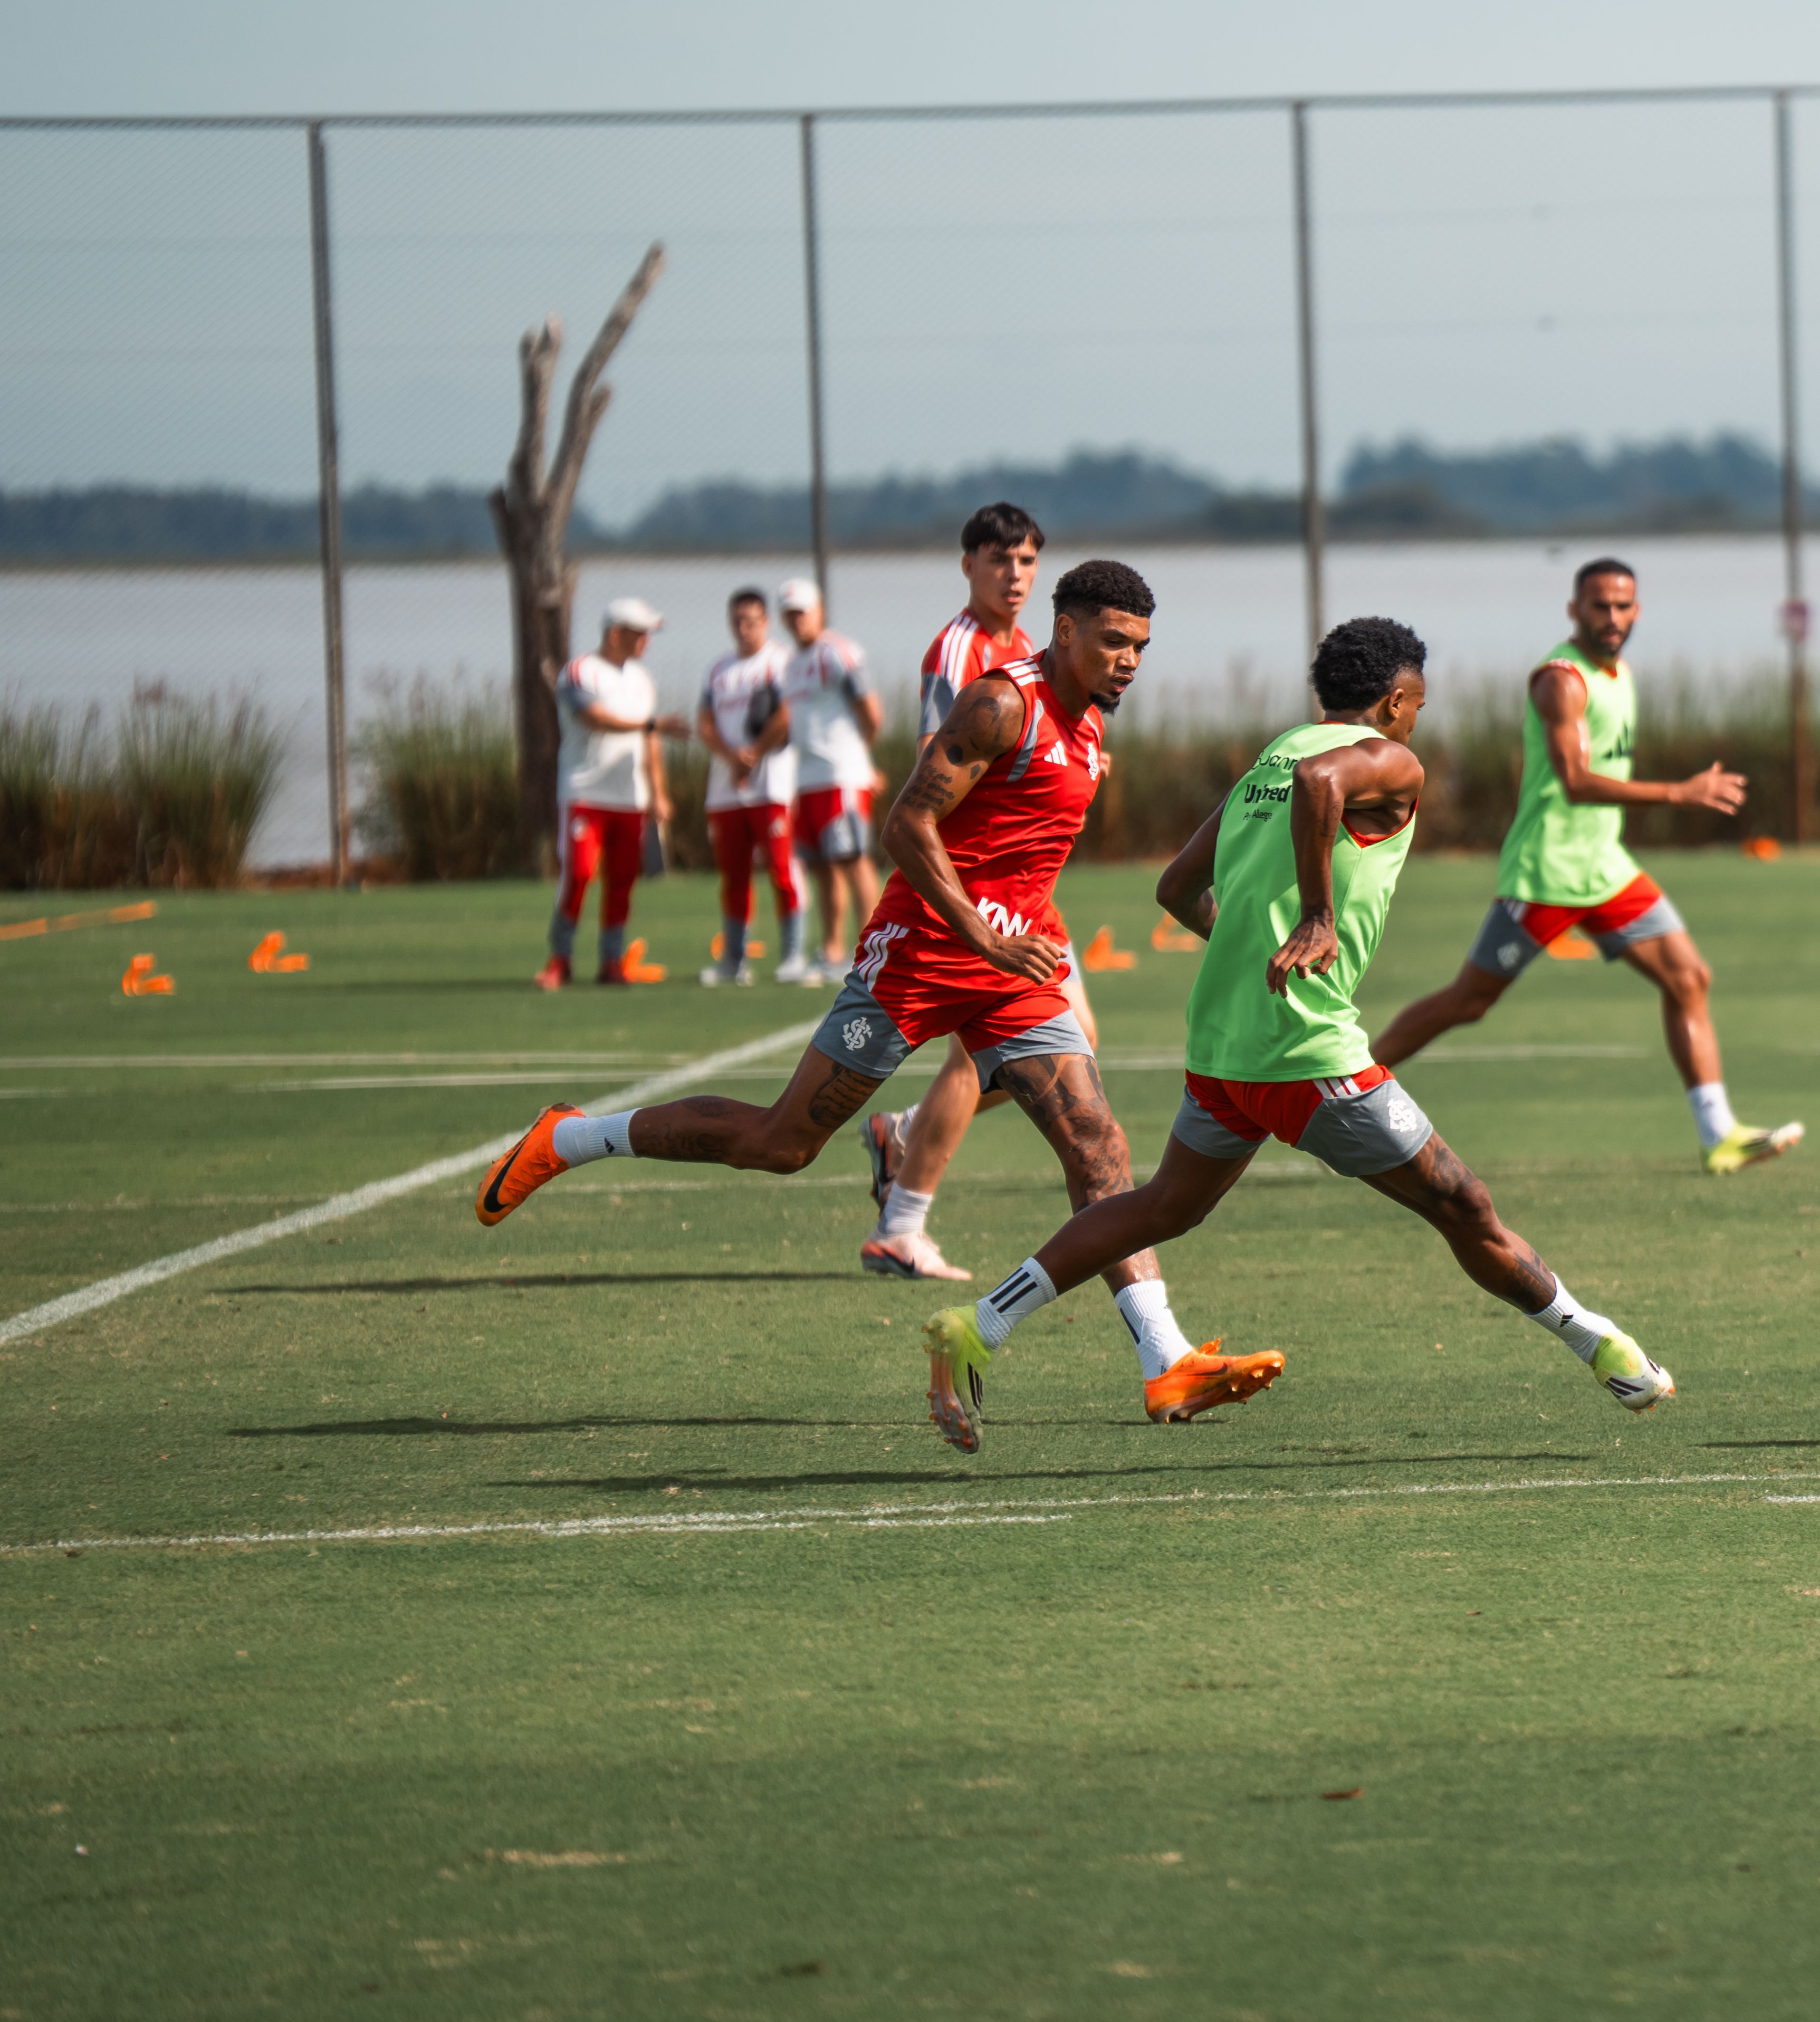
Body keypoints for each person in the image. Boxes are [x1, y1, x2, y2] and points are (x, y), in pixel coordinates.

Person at [474, 560, 1251, 1420]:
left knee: (1097, 1144)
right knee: (781, 1142)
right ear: (1064, 631)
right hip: (916, 960)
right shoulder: (1002, 703)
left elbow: (1015, 849)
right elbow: (906, 825)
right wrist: (982, 931)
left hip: (1010, 975)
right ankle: (576, 1137)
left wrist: (1013, 941)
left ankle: (1163, 1356)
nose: (1127, 660)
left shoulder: (1092, 725)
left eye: (1139, 645)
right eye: (1112, 640)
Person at [919, 615, 1669, 1453]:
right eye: (1416, 703)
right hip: (1306, 1050)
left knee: (1163, 1205)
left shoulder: (1272, 756)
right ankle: (1598, 1341)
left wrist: (1251, 950)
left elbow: (1176, 887)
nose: (1417, 719)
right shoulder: (1386, 760)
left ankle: (980, 1323)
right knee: (1465, 1205)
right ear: (1395, 701)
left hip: (1224, 1042)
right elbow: (1324, 782)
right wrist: (1316, 917)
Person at [1369, 558, 1803, 1175]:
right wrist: (1679, 793)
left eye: (1624, 606)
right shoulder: (1562, 680)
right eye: (1599, 605)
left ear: (1638, 611)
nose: (1613, 617)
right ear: (1574, 611)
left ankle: (1720, 1136)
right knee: (1469, 1001)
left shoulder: (1620, 672)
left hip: (1606, 869)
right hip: (1548, 873)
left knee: (1689, 978)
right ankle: (1345, 1085)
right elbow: (1573, 781)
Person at [852, 503, 1116, 1277]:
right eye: (1001, 560)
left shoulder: (1027, 648)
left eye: (1029, 561)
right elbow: (941, 776)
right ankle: (901, 1222)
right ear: (968, 565)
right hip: (978, 890)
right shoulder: (963, 651)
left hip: (1024, 885)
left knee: (1075, 1037)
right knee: (990, 1054)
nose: (1015, 575)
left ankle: (904, 1136)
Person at [540, 597, 670, 991]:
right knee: (578, 874)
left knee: (622, 880)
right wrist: (648, 724)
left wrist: (659, 792)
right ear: (616, 634)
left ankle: (611, 961)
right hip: (584, 794)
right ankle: (559, 958)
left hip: (630, 798)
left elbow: (649, 741)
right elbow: (593, 718)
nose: (647, 640)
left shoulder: (643, 680)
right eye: (640, 633)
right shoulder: (579, 672)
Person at [770, 575, 885, 981]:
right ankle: (833, 950)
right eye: (789, 614)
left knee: (854, 860)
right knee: (822, 867)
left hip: (843, 775)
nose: (795, 620)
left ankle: (875, 948)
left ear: (818, 611)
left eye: (801, 612)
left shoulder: (839, 652)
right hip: (807, 780)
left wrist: (861, 759)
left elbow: (871, 711)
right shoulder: (790, 663)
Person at [694, 586, 805, 986]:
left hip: (771, 785)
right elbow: (704, 723)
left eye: (752, 621)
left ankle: (794, 953)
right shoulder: (718, 669)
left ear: (766, 623)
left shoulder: (781, 661)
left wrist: (754, 753)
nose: (744, 629)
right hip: (726, 789)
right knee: (734, 875)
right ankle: (733, 959)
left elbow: (787, 714)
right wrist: (730, 756)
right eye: (738, 621)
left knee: (781, 867)